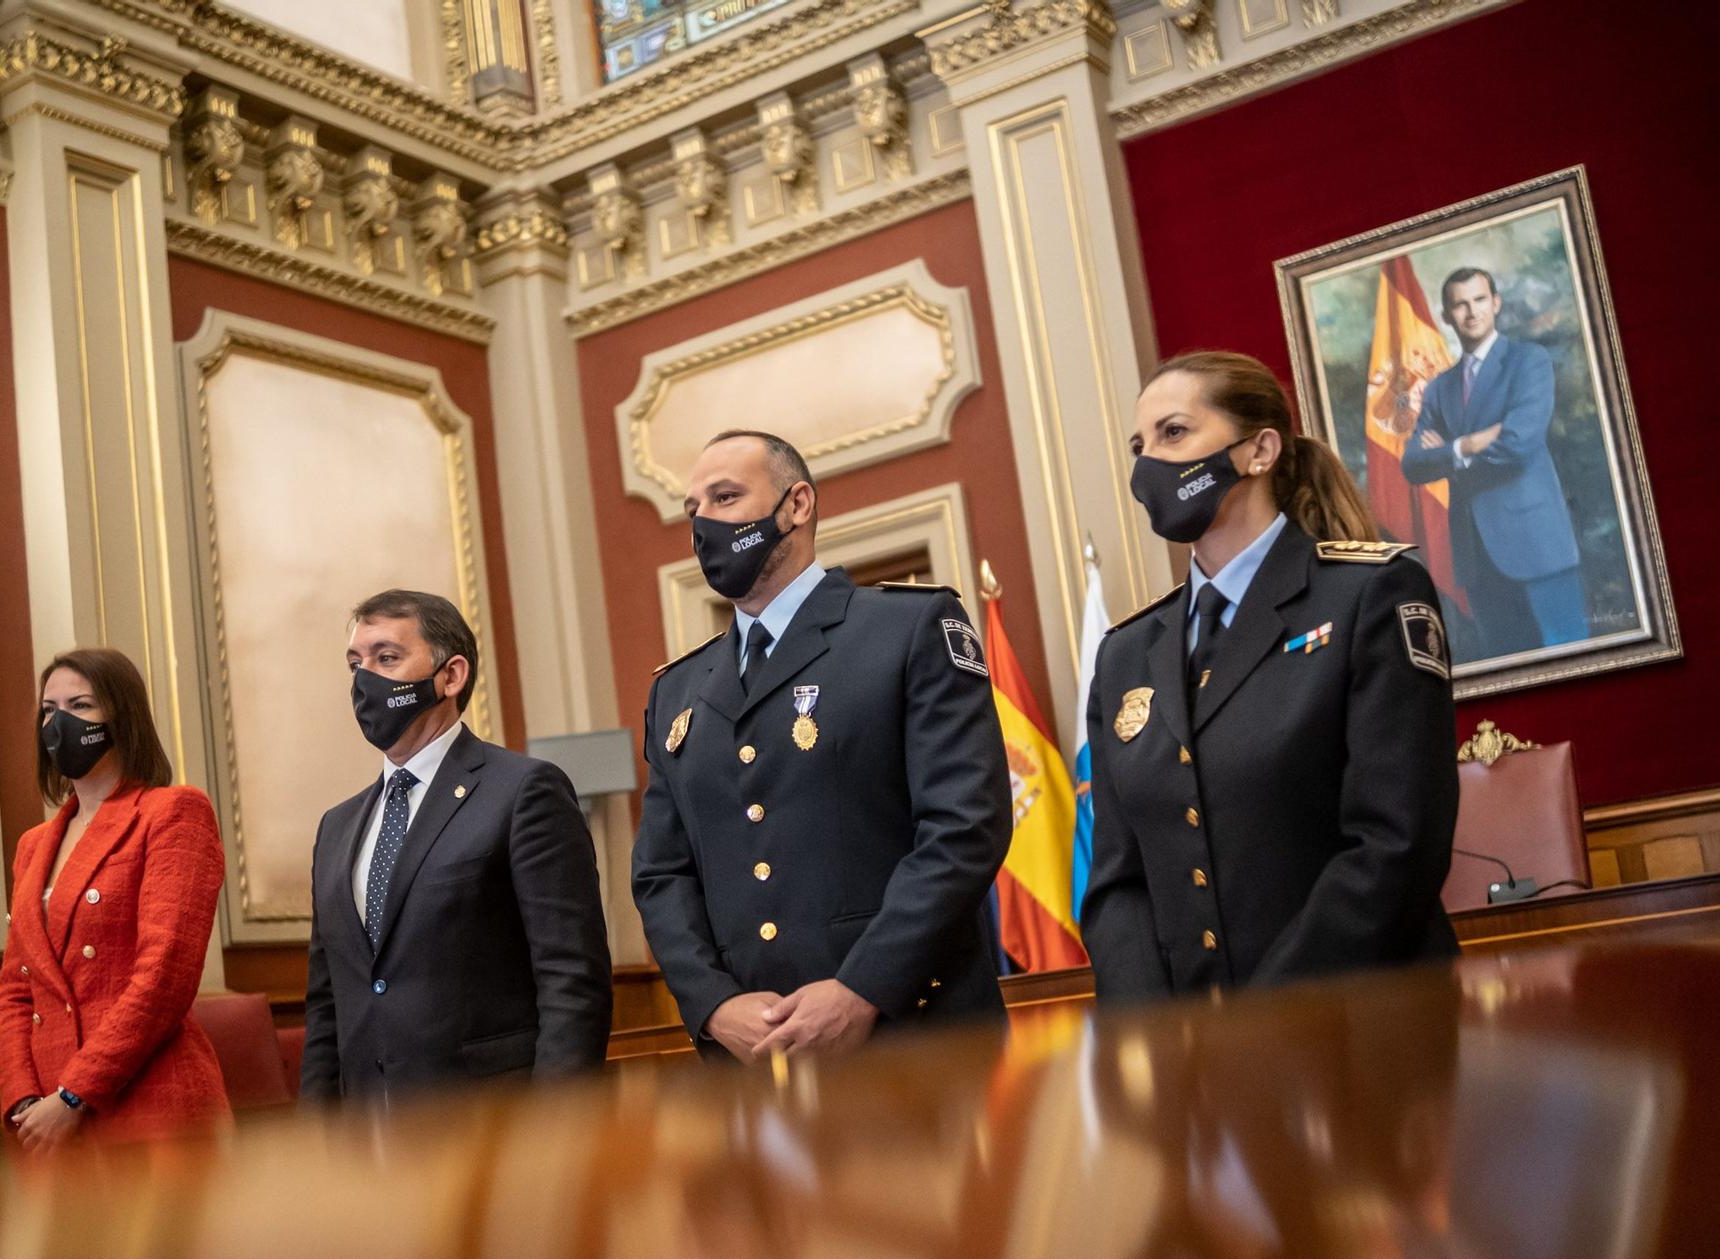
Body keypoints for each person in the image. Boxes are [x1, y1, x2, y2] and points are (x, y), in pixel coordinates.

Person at [1083, 351, 1459, 1001]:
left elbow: (1397, 843)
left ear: (1259, 451)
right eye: (1138, 445)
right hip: (1197, 1065)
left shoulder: (1371, 594)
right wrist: (1159, 1036)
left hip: (1364, 1027)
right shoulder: (1127, 653)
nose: (1149, 464)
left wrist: (1265, 1023)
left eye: (1174, 433)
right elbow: (1118, 879)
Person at [633, 429, 1012, 1063]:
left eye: (726, 497)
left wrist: (864, 987)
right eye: (693, 511)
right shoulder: (678, 691)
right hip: (752, 1056)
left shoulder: (907, 629)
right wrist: (714, 1004)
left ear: (797, 504)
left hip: (912, 1035)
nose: (704, 525)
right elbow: (661, 875)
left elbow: (963, 828)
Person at [300, 589, 611, 1099]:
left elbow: (571, 980)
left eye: (387, 658)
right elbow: (326, 1002)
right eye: (355, 663)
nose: (364, 680)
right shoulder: (336, 827)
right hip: (367, 1144)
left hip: (490, 1128)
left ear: (451, 675)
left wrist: (558, 1132)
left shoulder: (523, 791)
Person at [0, 648, 230, 1150]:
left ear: (122, 716)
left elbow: (164, 975)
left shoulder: (172, 812)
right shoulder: (33, 845)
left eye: (80, 706)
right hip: (46, 1120)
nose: (60, 723)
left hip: (146, 1102)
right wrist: (22, 1099)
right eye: (49, 710)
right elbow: (16, 989)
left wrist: (76, 1094)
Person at [1401, 266, 1584, 658]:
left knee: (1573, 669)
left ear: (1496, 303)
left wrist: (1446, 453)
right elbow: (1413, 465)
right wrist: (1465, 446)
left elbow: (1519, 443)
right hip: (1476, 557)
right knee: (1510, 677)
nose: (1472, 312)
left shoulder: (1529, 361)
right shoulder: (1438, 388)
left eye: (1480, 300)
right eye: (1460, 305)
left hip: (1537, 546)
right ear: (1447, 315)